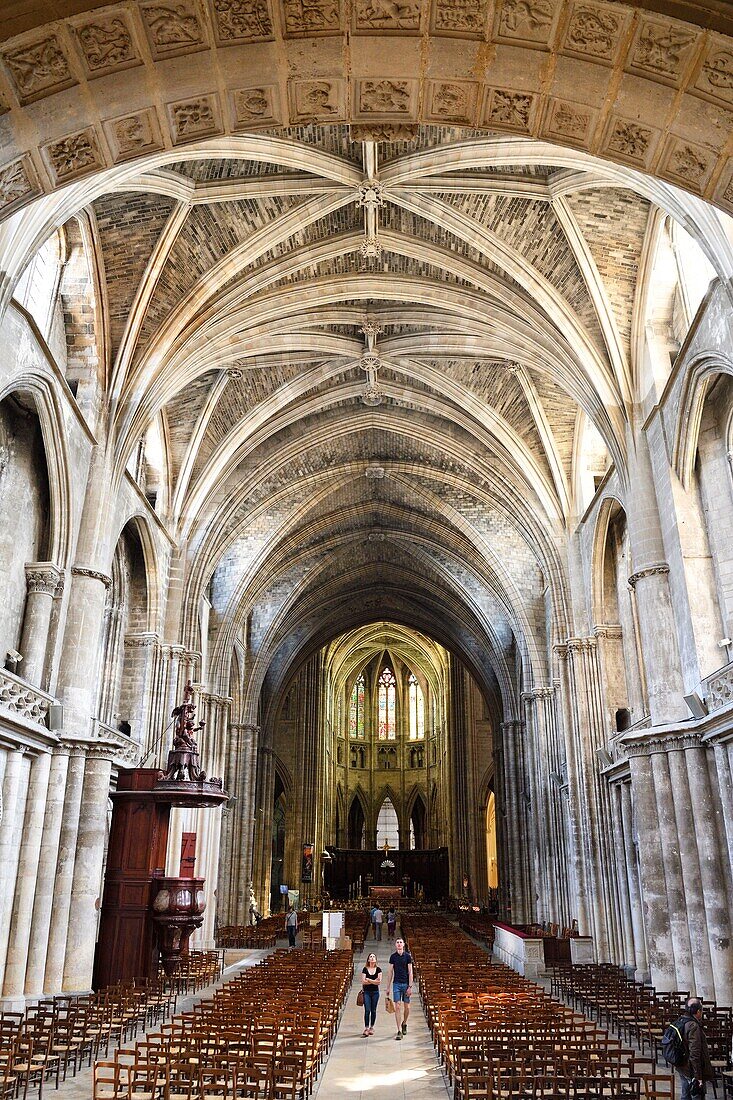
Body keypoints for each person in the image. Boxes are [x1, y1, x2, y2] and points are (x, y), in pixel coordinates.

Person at [676, 998, 715, 1098]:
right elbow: (695, 1052)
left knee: (685, 1095)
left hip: (682, 1065)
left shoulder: (681, 1020)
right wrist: (698, 1077)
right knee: (696, 1095)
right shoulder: (693, 1026)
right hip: (691, 1068)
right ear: (698, 1011)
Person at [386, 937, 413, 1040]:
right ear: (395, 945)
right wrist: (388, 987)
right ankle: (399, 1030)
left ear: (403, 945)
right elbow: (390, 972)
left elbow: (410, 972)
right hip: (396, 984)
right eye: (397, 942)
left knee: (407, 1007)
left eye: (400, 942)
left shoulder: (407, 956)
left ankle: (404, 1023)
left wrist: (410, 987)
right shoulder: (393, 957)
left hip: (406, 984)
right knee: (397, 1006)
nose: (399, 944)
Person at [361, 951, 381, 1036]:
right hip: (366, 992)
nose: (372, 958)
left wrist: (369, 980)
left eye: (373, 957)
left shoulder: (378, 969)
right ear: (368, 959)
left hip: (375, 992)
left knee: (373, 1010)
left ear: (376, 960)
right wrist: (373, 981)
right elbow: (363, 982)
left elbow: (379, 982)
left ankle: (372, 1027)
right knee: (367, 1010)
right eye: (370, 957)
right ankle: (366, 1028)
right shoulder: (365, 969)